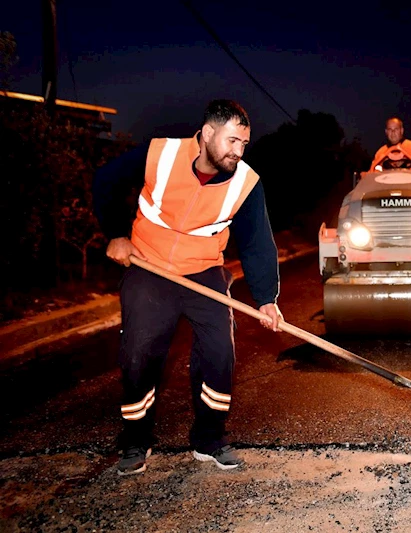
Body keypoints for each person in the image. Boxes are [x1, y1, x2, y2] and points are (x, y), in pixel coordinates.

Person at [92, 99, 283, 476]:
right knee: (139, 351)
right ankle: (135, 439)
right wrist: (115, 233)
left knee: (219, 349)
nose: (237, 151)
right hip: (149, 263)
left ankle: (209, 439)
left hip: (203, 269)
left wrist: (266, 300)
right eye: (231, 141)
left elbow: (257, 241)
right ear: (207, 133)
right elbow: (106, 180)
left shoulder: (246, 182)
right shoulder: (160, 154)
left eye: (244, 143)